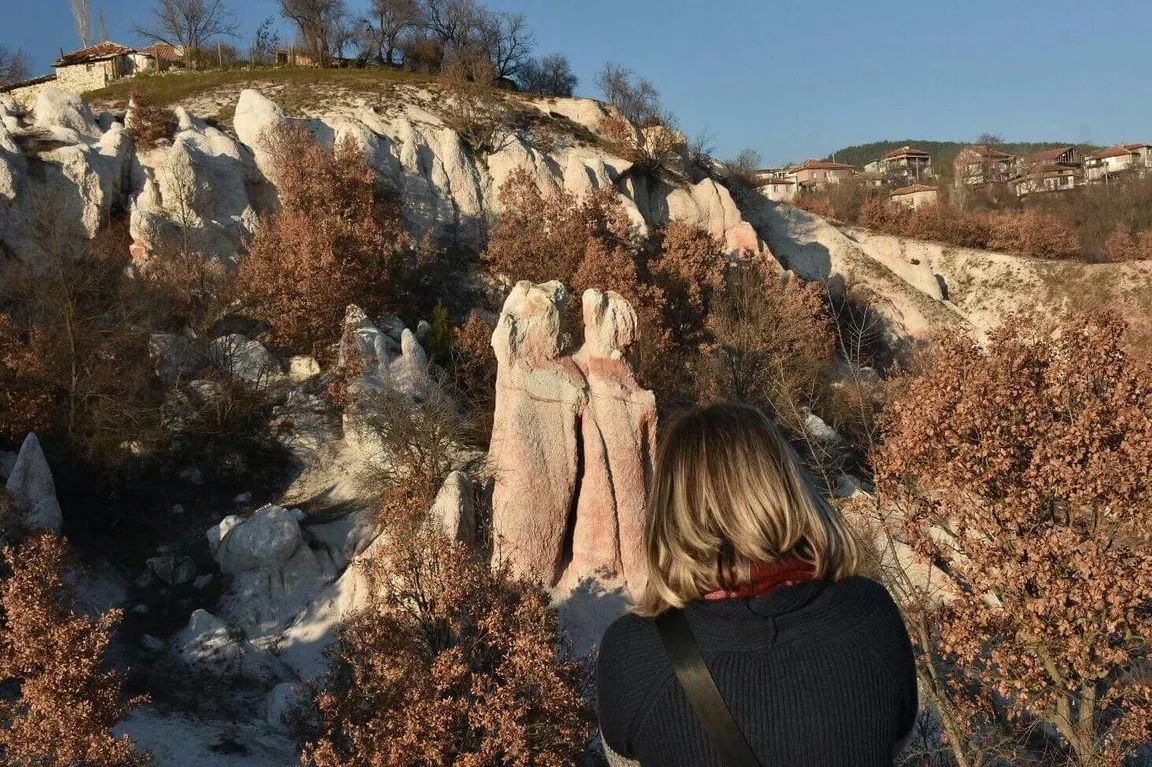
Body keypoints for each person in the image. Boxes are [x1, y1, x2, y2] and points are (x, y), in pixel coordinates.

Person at [597, 402, 917, 766]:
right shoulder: (870, 615)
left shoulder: (635, 653)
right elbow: (892, 739)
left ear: (669, 511)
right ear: (786, 487)